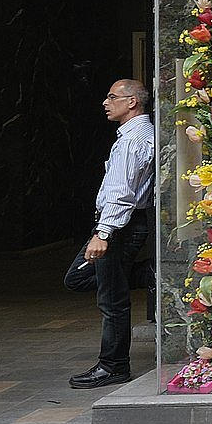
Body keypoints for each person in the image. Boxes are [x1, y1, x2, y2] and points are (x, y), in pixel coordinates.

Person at [64, 79, 156, 389]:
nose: (105, 102)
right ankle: (155, 274)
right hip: (119, 225)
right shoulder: (134, 135)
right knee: (77, 279)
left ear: (132, 102)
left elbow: (121, 192)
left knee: (112, 300)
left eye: (112, 96)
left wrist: (103, 232)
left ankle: (113, 366)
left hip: (119, 226)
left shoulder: (134, 139)